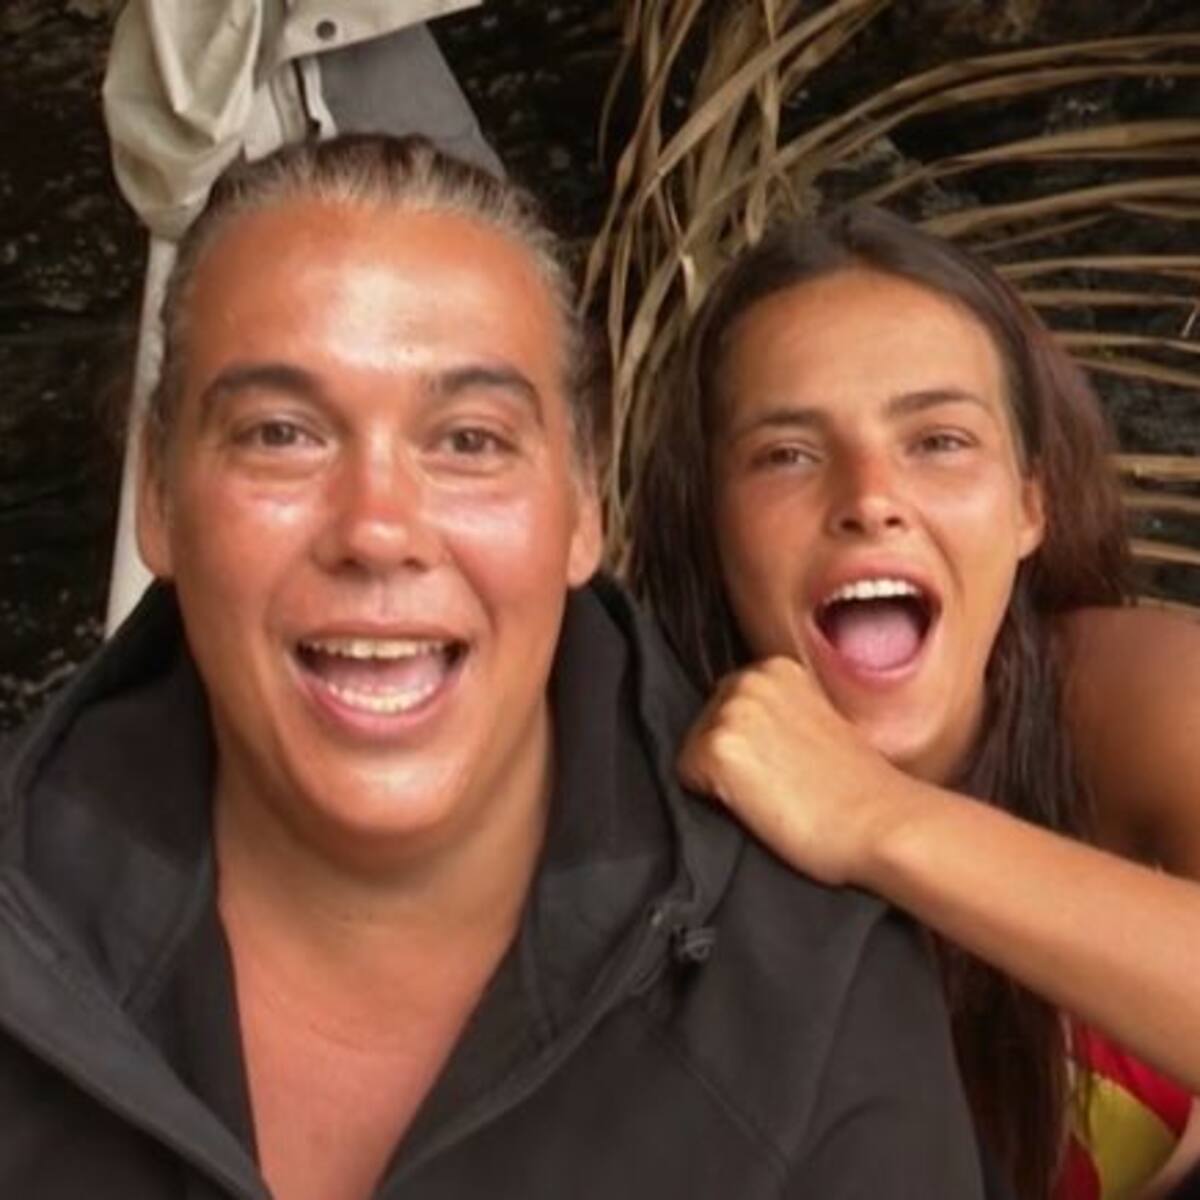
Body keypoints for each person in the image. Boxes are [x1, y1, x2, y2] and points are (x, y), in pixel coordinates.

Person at [0, 137, 987, 1199]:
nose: (377, 529)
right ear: (156, 496)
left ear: (582, 502)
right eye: (281, 434)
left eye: (468, 441)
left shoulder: (813, 1003)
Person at [627, 204, 1200, 1200]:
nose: (870, 497)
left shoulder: (1131, 697)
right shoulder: (626, 800)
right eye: (787, 453)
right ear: (710, 521)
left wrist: (876, 817)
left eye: (938, 441)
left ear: (1029, 506)